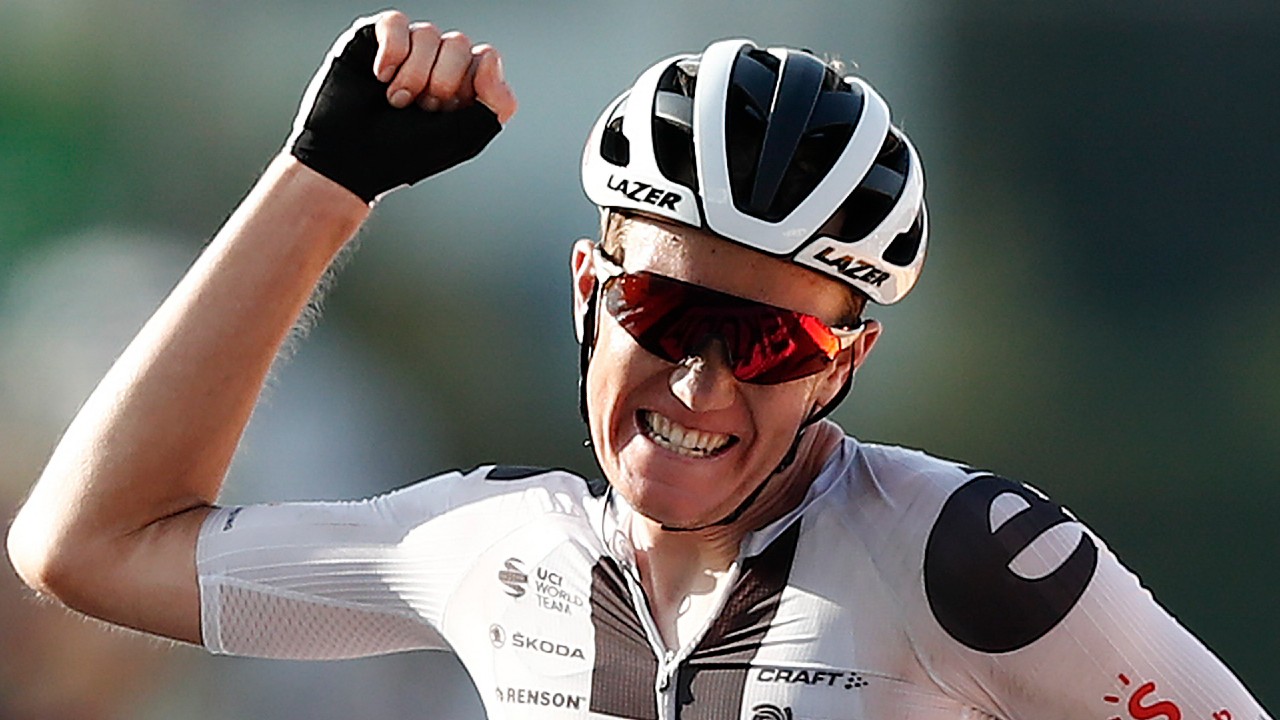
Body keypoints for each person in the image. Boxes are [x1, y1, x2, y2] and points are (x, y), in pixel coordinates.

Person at [5, 9, 1270, 720]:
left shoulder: (967, 558)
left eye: (770, 342)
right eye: (662, 313)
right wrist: (325, 182)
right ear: (586, 294)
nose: (699, 384)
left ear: (842, 365)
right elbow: (88, 547)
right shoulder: (492, 549)